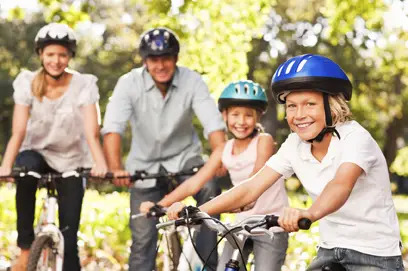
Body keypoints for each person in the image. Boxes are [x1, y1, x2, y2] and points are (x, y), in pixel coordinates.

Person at [168, 54, 404, 270]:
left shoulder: (356, 138)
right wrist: (197, 211)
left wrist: (309, 213)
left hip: (375, 255)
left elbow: (341, 185)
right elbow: (250, 188)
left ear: (332, 106)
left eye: (309, 104)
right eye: (292, 106)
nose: (299, 114)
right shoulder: (294, 144)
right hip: (330, 251)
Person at [101, 27, 226, 271]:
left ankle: (206, 265)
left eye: (166, 58)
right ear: (145, 61)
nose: (160, 65)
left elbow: (213, 123)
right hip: (144, 167)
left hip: (186, 161)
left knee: (210, 189)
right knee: (143, 240)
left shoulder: (192, 80)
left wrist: (219, 155)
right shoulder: (128, 83)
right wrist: (116, 168)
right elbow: (112, 128)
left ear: (176, 58)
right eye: (154, 60)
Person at [142, 80, 289, 270]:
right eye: (235, 114)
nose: (241, 121)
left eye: (248, 115)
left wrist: (235, 203)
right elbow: (194, 183)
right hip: (240, 225)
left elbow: (255, 181)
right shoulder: (223, 149)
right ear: (224, 115)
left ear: (258, 116)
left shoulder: (264, 141)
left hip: (271, 225)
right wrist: (160, 205)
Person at [0, 23, 108, 271]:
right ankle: (26, 249)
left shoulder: (83, 85)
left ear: (70, 56)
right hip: (37, 153)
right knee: (25, 170)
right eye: (50, 54)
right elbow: (18, 131)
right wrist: (6, 165)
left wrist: (99, 164)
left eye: (62, 54)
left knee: (69, 243)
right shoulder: (27, 82)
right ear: (41, 55)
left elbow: (92, 131)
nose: (56, 60)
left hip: (72, 159)